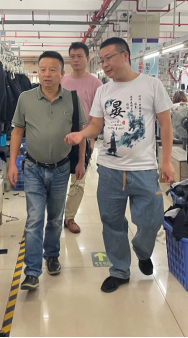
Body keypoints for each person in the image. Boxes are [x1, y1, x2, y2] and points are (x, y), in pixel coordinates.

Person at [64, 37, 176, 294]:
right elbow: (96, 125)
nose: (105, 64)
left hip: (144, 169)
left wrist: (166, 161)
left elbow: (166, 125)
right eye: (102, 60)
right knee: (111, 221)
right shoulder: (103, 91)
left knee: (151, 220)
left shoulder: (152, 85)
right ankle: (119, 270)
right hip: (110, 169)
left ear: (125, 56)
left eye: (109, 58)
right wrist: (82, 134)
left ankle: (142, 251)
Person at [8, 51, 87, 291]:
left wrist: (81, 162)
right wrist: (12, 163)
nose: (47, 74)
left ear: (62, 73)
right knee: (34, 219)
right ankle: (32, 272)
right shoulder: (25, 98)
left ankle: (52, 255)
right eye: (42, 69)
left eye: (53, 70)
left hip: (61, 169)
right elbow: (17, 132)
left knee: (54, 218)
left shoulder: (72, 99)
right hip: (33, 168)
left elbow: (81, 133)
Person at [61, 42, 103, 234]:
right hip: (61, 137)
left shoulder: (96, 84)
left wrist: (91, 139)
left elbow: (99, 115)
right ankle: (56, 215)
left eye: (79, 56)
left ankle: (69, 217)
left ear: (87, 59)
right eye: (72, 56)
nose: (75, 60)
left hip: (84, 138)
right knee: (58, 178)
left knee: (78, 179)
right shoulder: (62, 81)